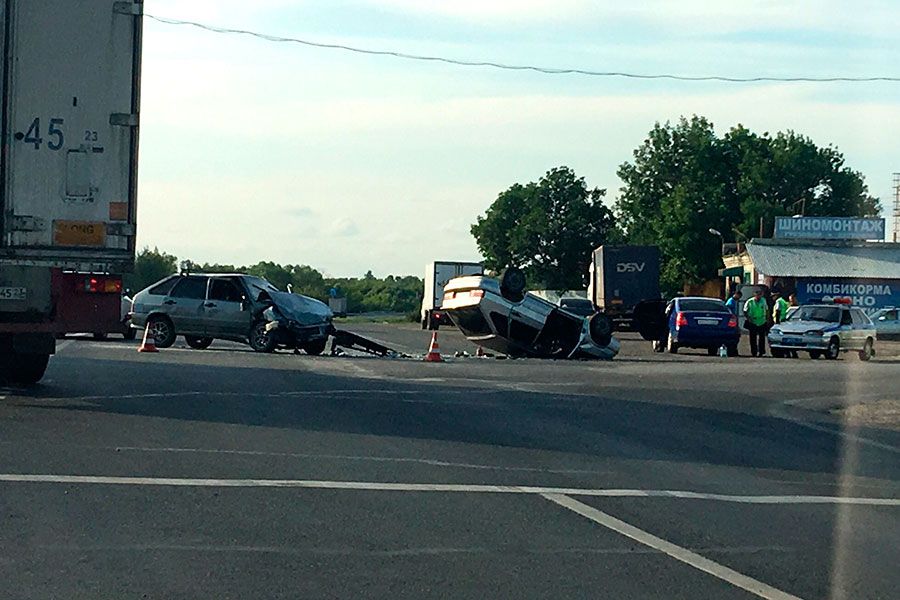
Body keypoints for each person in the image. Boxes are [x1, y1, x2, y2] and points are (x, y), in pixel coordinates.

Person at [743, 288, 769, 357]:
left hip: (762, 321)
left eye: (760, 295)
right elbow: (745, 311)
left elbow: (766, 310)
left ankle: (761, 351)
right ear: (754, 295)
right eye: (757, 295)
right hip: (752, 322)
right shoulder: (749, 301)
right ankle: (754, 352)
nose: (759, 296)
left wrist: (767, 319)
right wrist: (749, 319)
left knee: (762, 338)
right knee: (752, 338)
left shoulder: (763, 300)